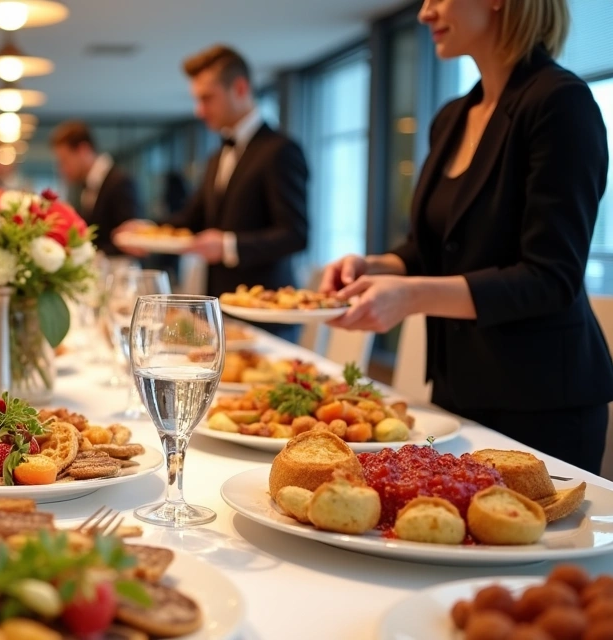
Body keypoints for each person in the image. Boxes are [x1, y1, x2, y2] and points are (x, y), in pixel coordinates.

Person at [320, 0, 612, 472]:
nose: (425, 13)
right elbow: (430, 248)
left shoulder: (560, 102)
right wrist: (375, 267)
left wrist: (410, 297)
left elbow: (551, 278)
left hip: (541, 406)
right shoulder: (453, 116)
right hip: (458, 395)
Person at [115, 45, 308, 338]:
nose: (199, 110)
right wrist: (147, 231)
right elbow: (192, 219)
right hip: (220, 310)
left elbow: (296, 234)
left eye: (207, 98)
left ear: (240, 88)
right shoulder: (216, 157)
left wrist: (228, 246)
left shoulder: (280, 151)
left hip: (266, 315)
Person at [50, 121, 139, 256]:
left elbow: (131, 241)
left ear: (83, 150)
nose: (62, 169)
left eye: (64, 161)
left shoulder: (120, 182)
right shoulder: (85, 185)